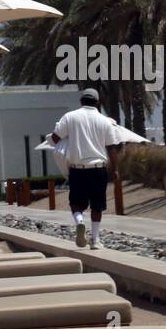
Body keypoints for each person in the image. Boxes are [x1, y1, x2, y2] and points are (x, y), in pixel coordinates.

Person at [51, 87, 120, 250]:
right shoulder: (105, 121)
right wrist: (115, 169)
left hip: (77, 169)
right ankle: (95, 240)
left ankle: (80, 222)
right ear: (97, 102)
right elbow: (111, 148)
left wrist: (70, 138)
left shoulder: (70, 117)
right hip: (98, 168)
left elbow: (55, 138)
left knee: (76, 203)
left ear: (81, 101)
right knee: (97, 205)